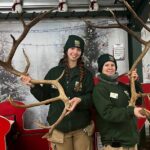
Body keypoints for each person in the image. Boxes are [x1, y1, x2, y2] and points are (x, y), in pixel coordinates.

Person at [21, 35, 94, 150]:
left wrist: (80, 100)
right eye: (72, 48)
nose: (75, 52)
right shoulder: (54, 73)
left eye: (79, 49)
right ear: (66, 50)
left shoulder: (86, 74)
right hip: (59, 129)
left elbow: (91, 98)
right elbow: (44, 98)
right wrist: (33, 85)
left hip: (81, 129)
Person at [93, 53, 145, 150]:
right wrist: (131, 111)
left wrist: (134, 82)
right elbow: (108, 113)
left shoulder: (122, 86)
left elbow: (138, 101)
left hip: (131, 142)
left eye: (112, 65)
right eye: (106, 65)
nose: (110, 67)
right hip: (115, 144)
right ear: (101, 68)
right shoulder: (100, 89)